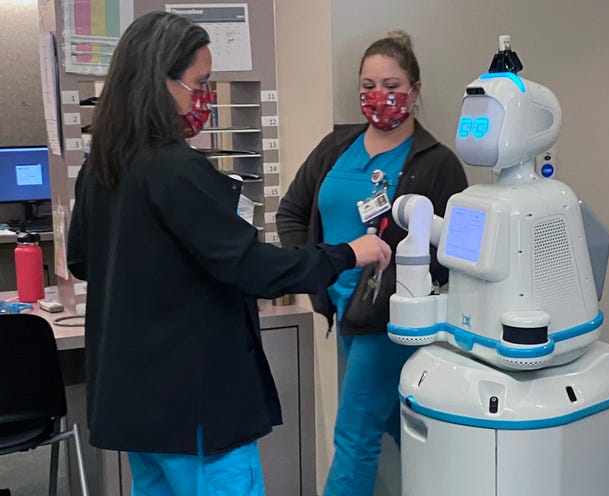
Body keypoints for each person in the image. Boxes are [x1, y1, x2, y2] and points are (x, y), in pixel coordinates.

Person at [66, 11, 390, 496]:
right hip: (194, 405)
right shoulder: (175, 170)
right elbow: (253, 268)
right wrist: (346, 254)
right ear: (159, 82)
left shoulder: (102, 167)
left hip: (137, 404)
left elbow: (82, 261)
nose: (204, 99)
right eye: (198, 84)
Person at [276, 31, 468, 495]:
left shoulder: (436, 163)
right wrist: (312, 270)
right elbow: (292, 213)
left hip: (389, 322)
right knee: (401, 426)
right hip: (344, 312)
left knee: (355, 436)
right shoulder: (336, 146)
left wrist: (402, 279)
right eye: (368, 86)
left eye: (391, 85)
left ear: (415, 91)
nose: (378, 96)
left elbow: (457, 251)